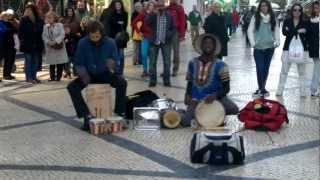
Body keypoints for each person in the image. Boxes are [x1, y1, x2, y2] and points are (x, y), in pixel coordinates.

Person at [67, 20, 127, 131]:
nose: (95, 38)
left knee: (122, 83)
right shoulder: (82, 43)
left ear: (102, 34)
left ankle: (120, 113)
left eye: (97, 36)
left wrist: (114, 68)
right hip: (89, 74)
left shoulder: (110, 43)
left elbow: (116, 60)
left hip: (105, 73)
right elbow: (78, 63)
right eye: (92, 36)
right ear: (88, 34)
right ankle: (86, 115)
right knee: (72, 87)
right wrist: (84, 75)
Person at [182, 34, 239, 127]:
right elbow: (190, 82)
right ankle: (191, 113)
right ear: (201, 46)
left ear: (214, 47)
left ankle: (212, 113)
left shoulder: (221, 65)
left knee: (234, 109)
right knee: (185, 122)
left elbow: (226, 88)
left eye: (210, 43)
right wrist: (187, 95)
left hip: (215, 99)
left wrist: (215, 96)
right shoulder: (192, 63)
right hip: (196, 99)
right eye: (205, 43)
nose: (207, 45)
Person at [247, 0, 280, 97]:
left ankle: (262, 88)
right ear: (259, 7)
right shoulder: (255, 17)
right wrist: (253, 43)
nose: (264, 7)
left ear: (268, 7)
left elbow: (276, 30)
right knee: (260, 68)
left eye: (265, 6)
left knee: (266, 69)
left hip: (270, 48)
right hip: (258, 49)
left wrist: (277, 41)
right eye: (262, 6)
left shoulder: (273, 17)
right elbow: (250, 30)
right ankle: (261, 88)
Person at [276, 3, 308, 97]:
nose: (297, 12)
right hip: (287, 48)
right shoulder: (287, 20)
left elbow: (307, 32)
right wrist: (298, 31)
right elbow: (284, 32)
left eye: (299, 10)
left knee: (302, 72)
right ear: (292, 11)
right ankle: (280, 90)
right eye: (295, 10)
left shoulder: (305, 21)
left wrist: (291, 30)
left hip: (302, 49)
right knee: (284, 71)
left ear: (301, 12)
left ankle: (303, 91)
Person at [146, 0, 175, 87]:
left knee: (167, 62)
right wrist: (152, 13)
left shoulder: (169, 15)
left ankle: (166, 80)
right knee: (152, 63)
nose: (160, 7)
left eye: (162, 6)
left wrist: (168, 35)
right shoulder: (153, 15)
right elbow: (147, 22)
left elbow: (173, 28)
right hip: (154, 42)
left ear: (165, 6)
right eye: (158, 6)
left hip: (166, 42)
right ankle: (152, 81)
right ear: (156, 7)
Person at [18, 4, 44, 84]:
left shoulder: (38, 19)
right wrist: (22, 40)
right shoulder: (23, 19)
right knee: (28, 61)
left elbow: (40, 30)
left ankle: (34, 77)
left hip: (36, 44)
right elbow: (20, 32)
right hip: (27, 44)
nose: (28, 11)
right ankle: (29, 78)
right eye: (27, 10)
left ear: (33, 11)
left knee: (35, 62)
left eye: (29, 10)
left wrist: (34, 27)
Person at [42, 11, 69, 81]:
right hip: (50, 47)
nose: (48, 19)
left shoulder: (59, 25)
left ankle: (58, 77)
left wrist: (56, 41)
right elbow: (44, 36)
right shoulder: (45, 26)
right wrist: (48, 42)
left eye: (50, 17)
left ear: (54, 18)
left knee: (59, 63)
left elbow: (62, 34)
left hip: (58, 46)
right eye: (47, 18)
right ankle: (52, 77)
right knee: (52, 63)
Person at [132, 1, 155, 77]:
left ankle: (151, 70)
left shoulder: (156, 14)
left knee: (151, 55)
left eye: (153, 6)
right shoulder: (143, 14)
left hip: (153, 38)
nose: (151, 7)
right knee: (144, 54)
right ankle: (145, 70)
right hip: (145, 37)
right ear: (148, 6)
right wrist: (139, 32)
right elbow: (134, 23)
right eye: (150, 5)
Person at [105, 0, 128, 75]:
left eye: (119, 5)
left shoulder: (125, 14)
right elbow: (110, 24)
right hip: (113, 37)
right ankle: (116, 71)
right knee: (115, 55)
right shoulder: (112, 14)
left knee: (121, 56)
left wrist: (120, 23)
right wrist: (118, 22)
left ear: (121, 5)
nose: (118, 6)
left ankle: (120, 72)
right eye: (116, 5)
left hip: (121, 38)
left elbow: (125, 25)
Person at [61, 7, 81, 78]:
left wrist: (77, 34)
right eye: (68, 11)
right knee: (67, 58)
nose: (70, 13)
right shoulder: (63, 20)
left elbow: (79, 30)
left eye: (71, 11)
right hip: (66, 41)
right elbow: (62, 31)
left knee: (74, 57)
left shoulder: (76, 20)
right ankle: (67, 71)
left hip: (74, 40)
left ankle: (75, 71)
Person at [167, 0, 186, 76]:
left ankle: (175, 69)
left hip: (175, 32)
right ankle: (166, 69)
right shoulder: (167, 8)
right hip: (167, 32)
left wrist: (182, 35)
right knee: (166, 52)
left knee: (176, 51)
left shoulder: (179, 8)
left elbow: (182, 21)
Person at [1, 10, 18, 80]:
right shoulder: (1, 23)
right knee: (6, 60)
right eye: (5, 16)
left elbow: (16, 30)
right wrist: (11, 30)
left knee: (10, 60)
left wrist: (14, 22)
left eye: (7, 16)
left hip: (11, 44)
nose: (7, 17)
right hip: (4, 45)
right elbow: (4, 31)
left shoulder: (10, 23)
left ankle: (8, 74)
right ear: (2, 17)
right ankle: (5, 74)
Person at [307, 1, 320, 97]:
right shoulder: (311, 20)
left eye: (318, 7)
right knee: (317, 69)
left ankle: (314, 89)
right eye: (315, 8)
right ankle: (313, 90)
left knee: (317, 69)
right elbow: (309, 36)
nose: (316, 9)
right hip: (315, 49)